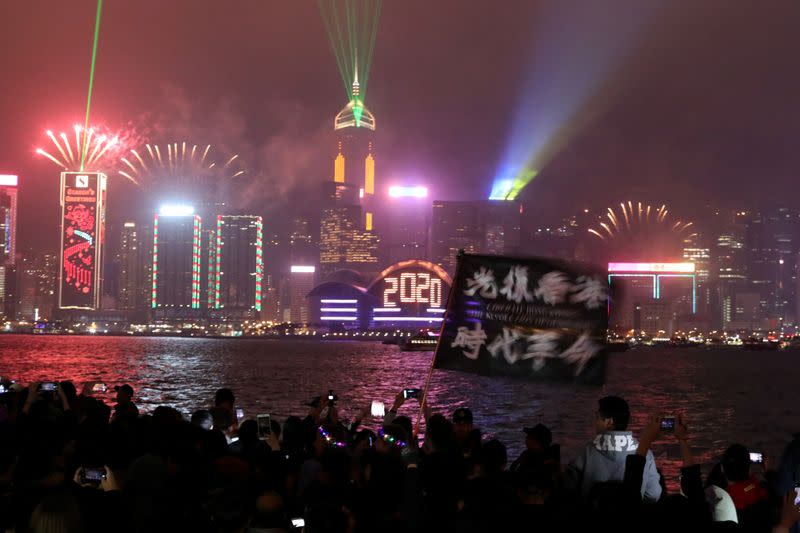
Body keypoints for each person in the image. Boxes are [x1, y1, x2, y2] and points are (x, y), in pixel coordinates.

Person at [565, 395, 662, 502]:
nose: (595, 422)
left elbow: (568, 491)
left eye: (597, 417)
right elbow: (653, 494)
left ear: (609, 422)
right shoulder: (644, 454)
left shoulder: (584, 452)